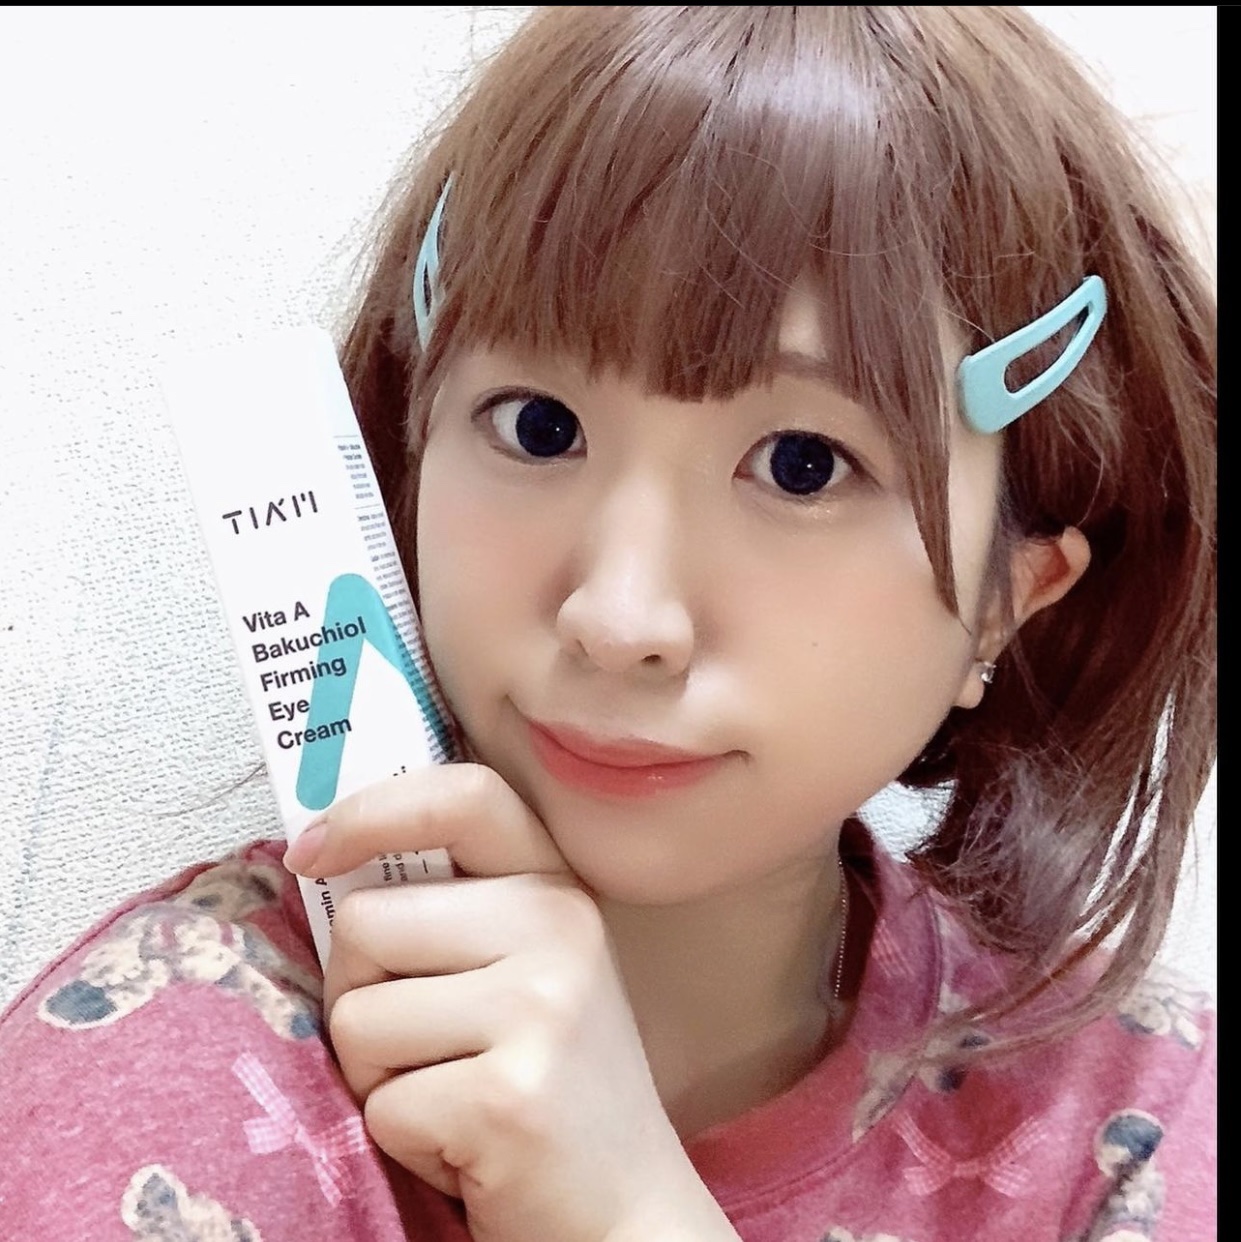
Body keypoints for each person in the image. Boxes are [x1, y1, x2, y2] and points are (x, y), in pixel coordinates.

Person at [0, 6, 1215, 1241]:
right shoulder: (172, 1071)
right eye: (537, 427)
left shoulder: (1134, 1128)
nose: (617, 619)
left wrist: (625, 1209)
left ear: (1009, 595)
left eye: (801, 464)